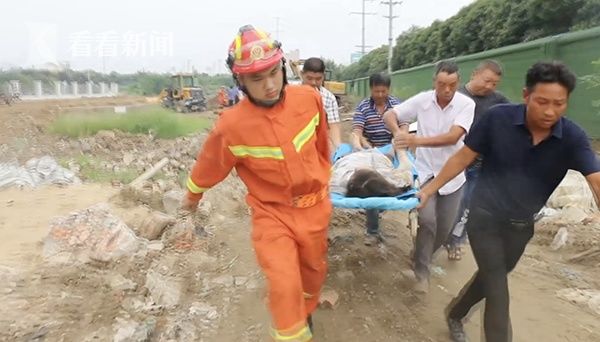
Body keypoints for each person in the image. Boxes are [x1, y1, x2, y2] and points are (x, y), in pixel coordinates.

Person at [416, 61, 600, 342]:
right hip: (484, 217)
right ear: (526, 95)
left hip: (521, 227)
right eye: (542, 102)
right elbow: (462, 158)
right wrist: (430, 189)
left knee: (491, 280)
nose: (550, 111)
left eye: (559, 104)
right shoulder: (497, 118)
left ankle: (456, 312)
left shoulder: (572, 137)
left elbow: (595, 178)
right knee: (499, 292)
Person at [181, 25, 332, 341]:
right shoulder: (231, 126)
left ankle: (304, 315)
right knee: (283, 282)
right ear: (240, 81)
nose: (269, 85)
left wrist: (323, 178)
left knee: (312, 275)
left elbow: (321, 146)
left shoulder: (309, 100)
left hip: (315, 209)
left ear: (282, 68)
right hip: (272, 214)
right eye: (256, 78)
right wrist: (191, 198)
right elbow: (209, 166)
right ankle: (293, 333)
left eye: (273, 73)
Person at [383, 60, 475, 293]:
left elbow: (453, 137)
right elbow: (390, 114)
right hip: (425, 173)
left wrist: (415, 140)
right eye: (442, 84)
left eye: (452, 85)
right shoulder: (423, 100)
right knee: (428, 221)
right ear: (434, 81)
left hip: (453, 176)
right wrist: (399, 132)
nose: (447, 90)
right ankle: (422, 273)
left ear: (458, 82)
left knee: (443, 229)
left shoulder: (466, 105)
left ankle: (419, 255)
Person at [445, 60, 510, 261]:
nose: (489, 87)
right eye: (487, 81)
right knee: (444, 203)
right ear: (475, 74)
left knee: (467, 205)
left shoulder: (500, 102)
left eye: (494, 84)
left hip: (478, 165)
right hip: (450, 162)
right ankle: (433, 240)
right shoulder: (455, 97)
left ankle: (455, 240)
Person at [351, 73, 402, 246]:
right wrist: (363, 147)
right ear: (370, 89)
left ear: (388, 89)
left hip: (392, 147)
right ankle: (372, 231)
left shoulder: (396, 105)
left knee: (394, 185)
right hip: (370, 148)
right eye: (376, 91)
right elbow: (358, 132)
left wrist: (394, 149)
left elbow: (402, 130)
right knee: (371, 186)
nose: (380, 95)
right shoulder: (364, 107)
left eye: (383, 91)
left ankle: (377, 209)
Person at [301, 57, 342, 149]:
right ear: (302, 74)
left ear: (323, 76)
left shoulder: (329, 98)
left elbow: (333, 127)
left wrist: (337, 149)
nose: (313, 83)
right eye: (309, 78)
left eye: (318, 79)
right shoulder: (291, 95)